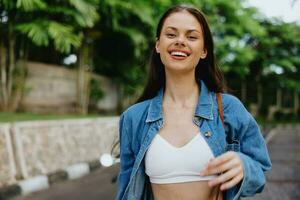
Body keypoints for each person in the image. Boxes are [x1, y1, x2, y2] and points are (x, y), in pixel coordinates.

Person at [116, 4, 271, 200]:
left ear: (204, 50)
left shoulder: (229, 108)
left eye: (192, 37)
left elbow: (260, 172)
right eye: (171, 34)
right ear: (158, 45)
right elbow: (126, 190)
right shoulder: (133, 117)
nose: (180, 41)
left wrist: (243, 165)